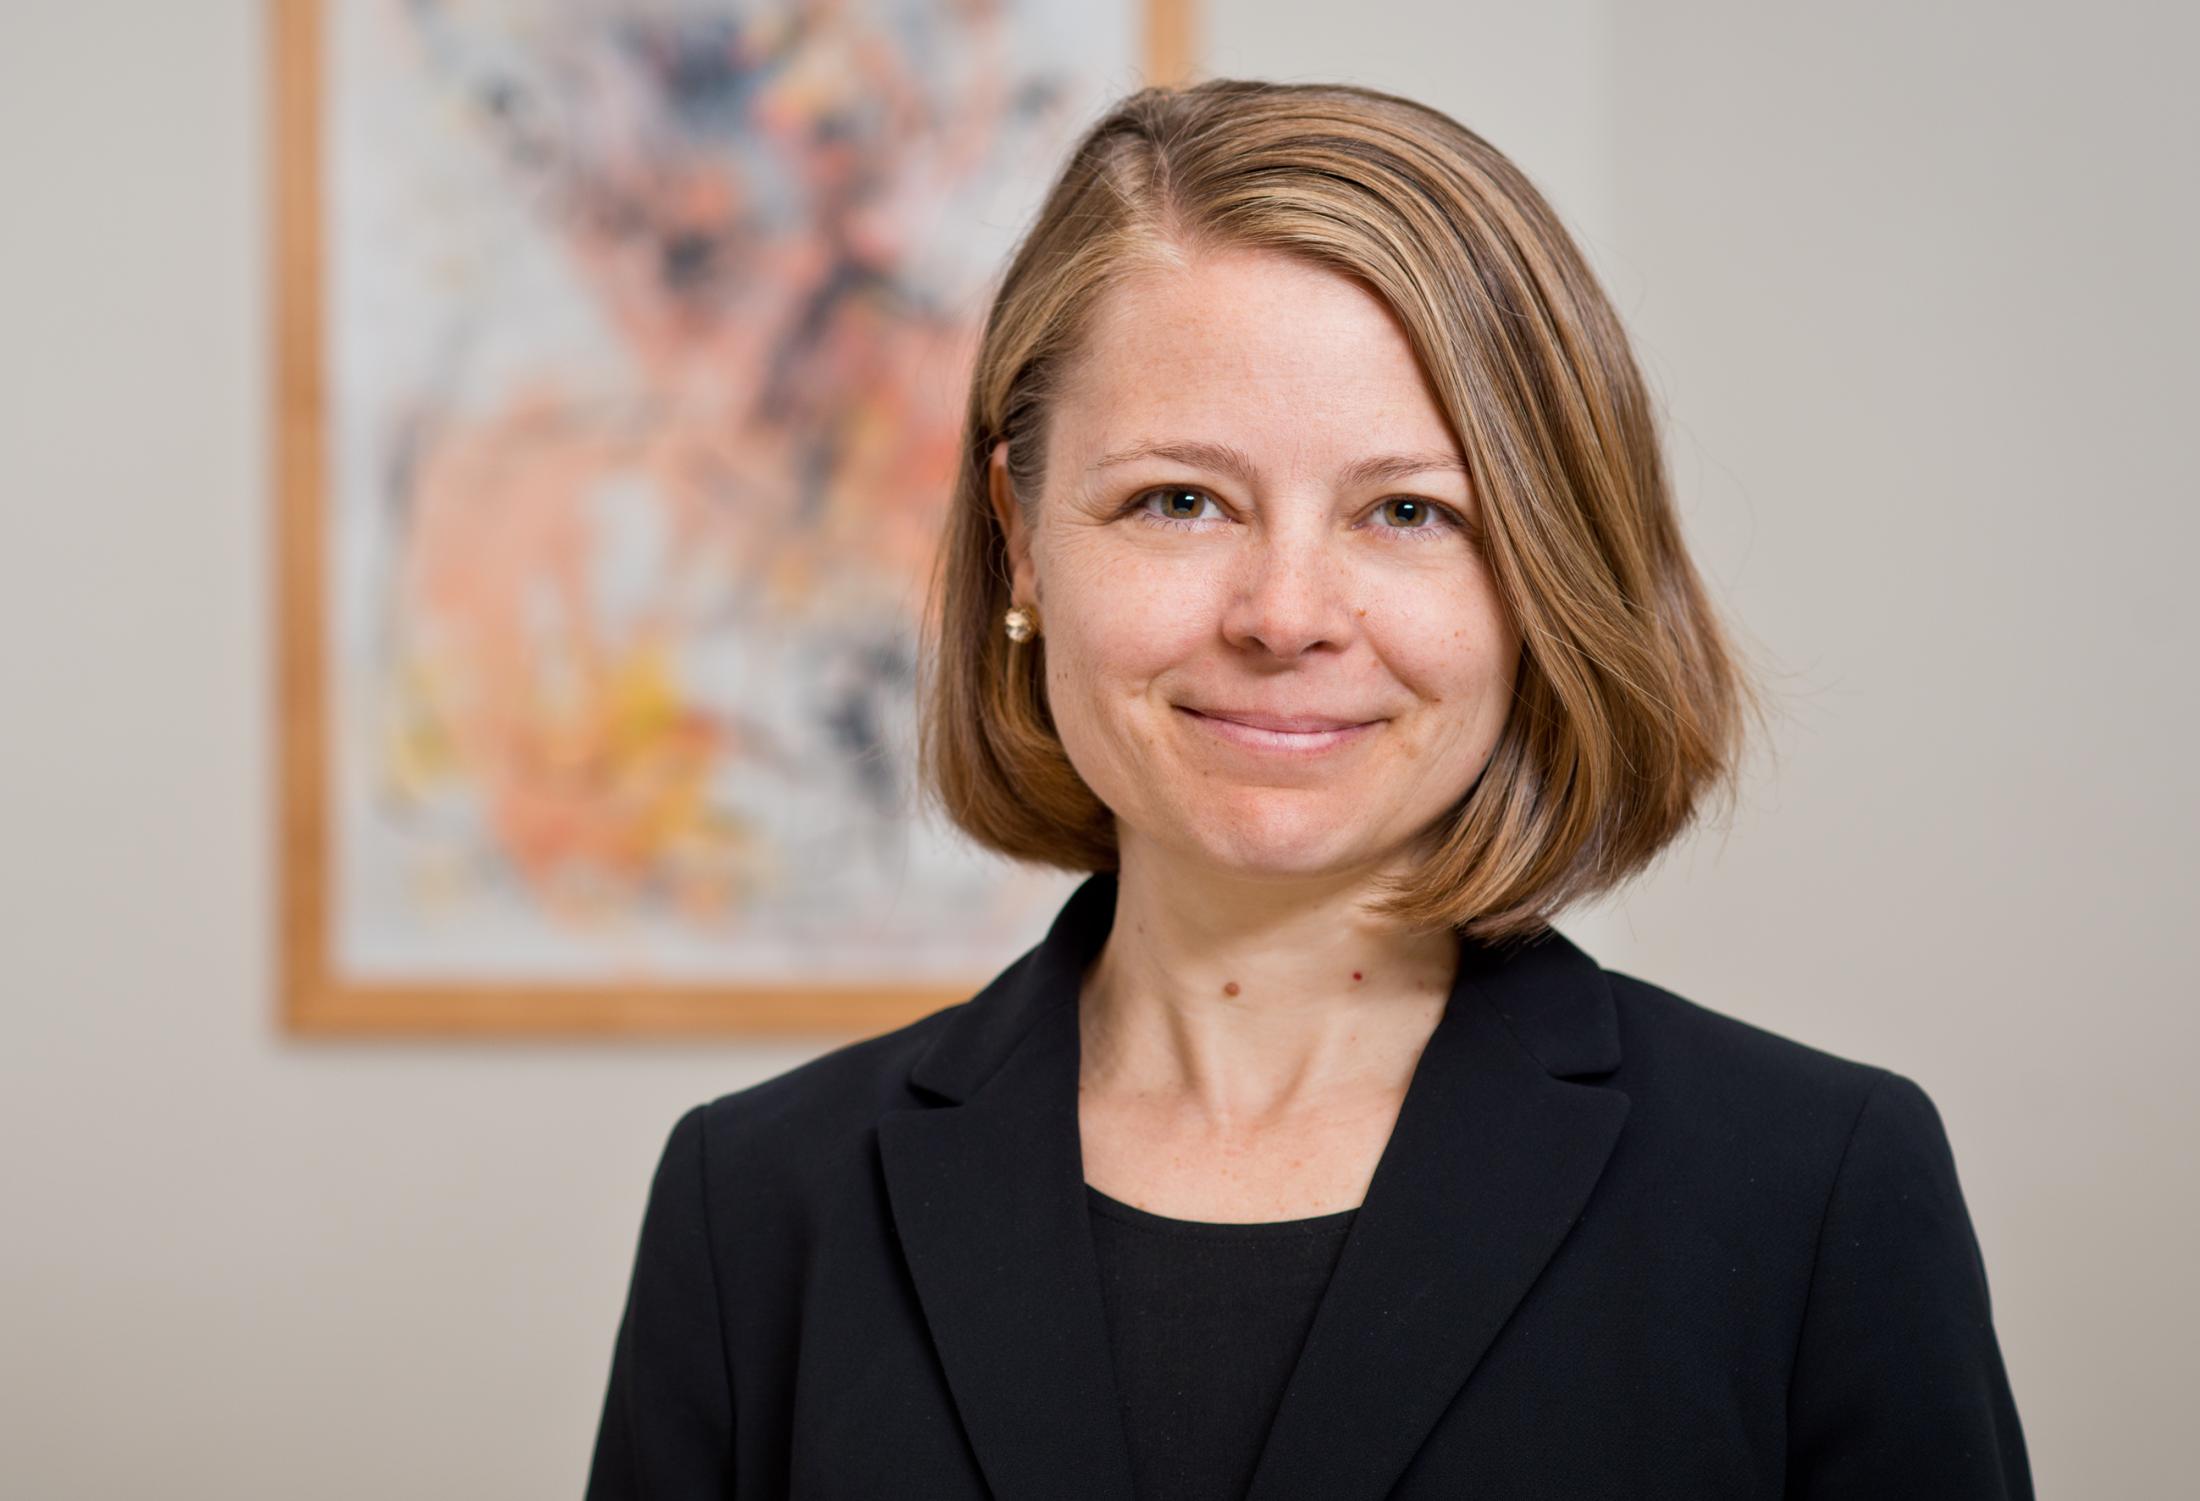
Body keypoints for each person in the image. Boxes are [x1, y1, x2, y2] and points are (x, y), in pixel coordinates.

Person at [584, 79, 2033, 1499]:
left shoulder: (1815, 1193)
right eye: (1180, 500)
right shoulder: (757, 1204)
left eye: (1408, 511)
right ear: (1024, 541)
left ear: (1546, 571)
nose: (1285, 614)